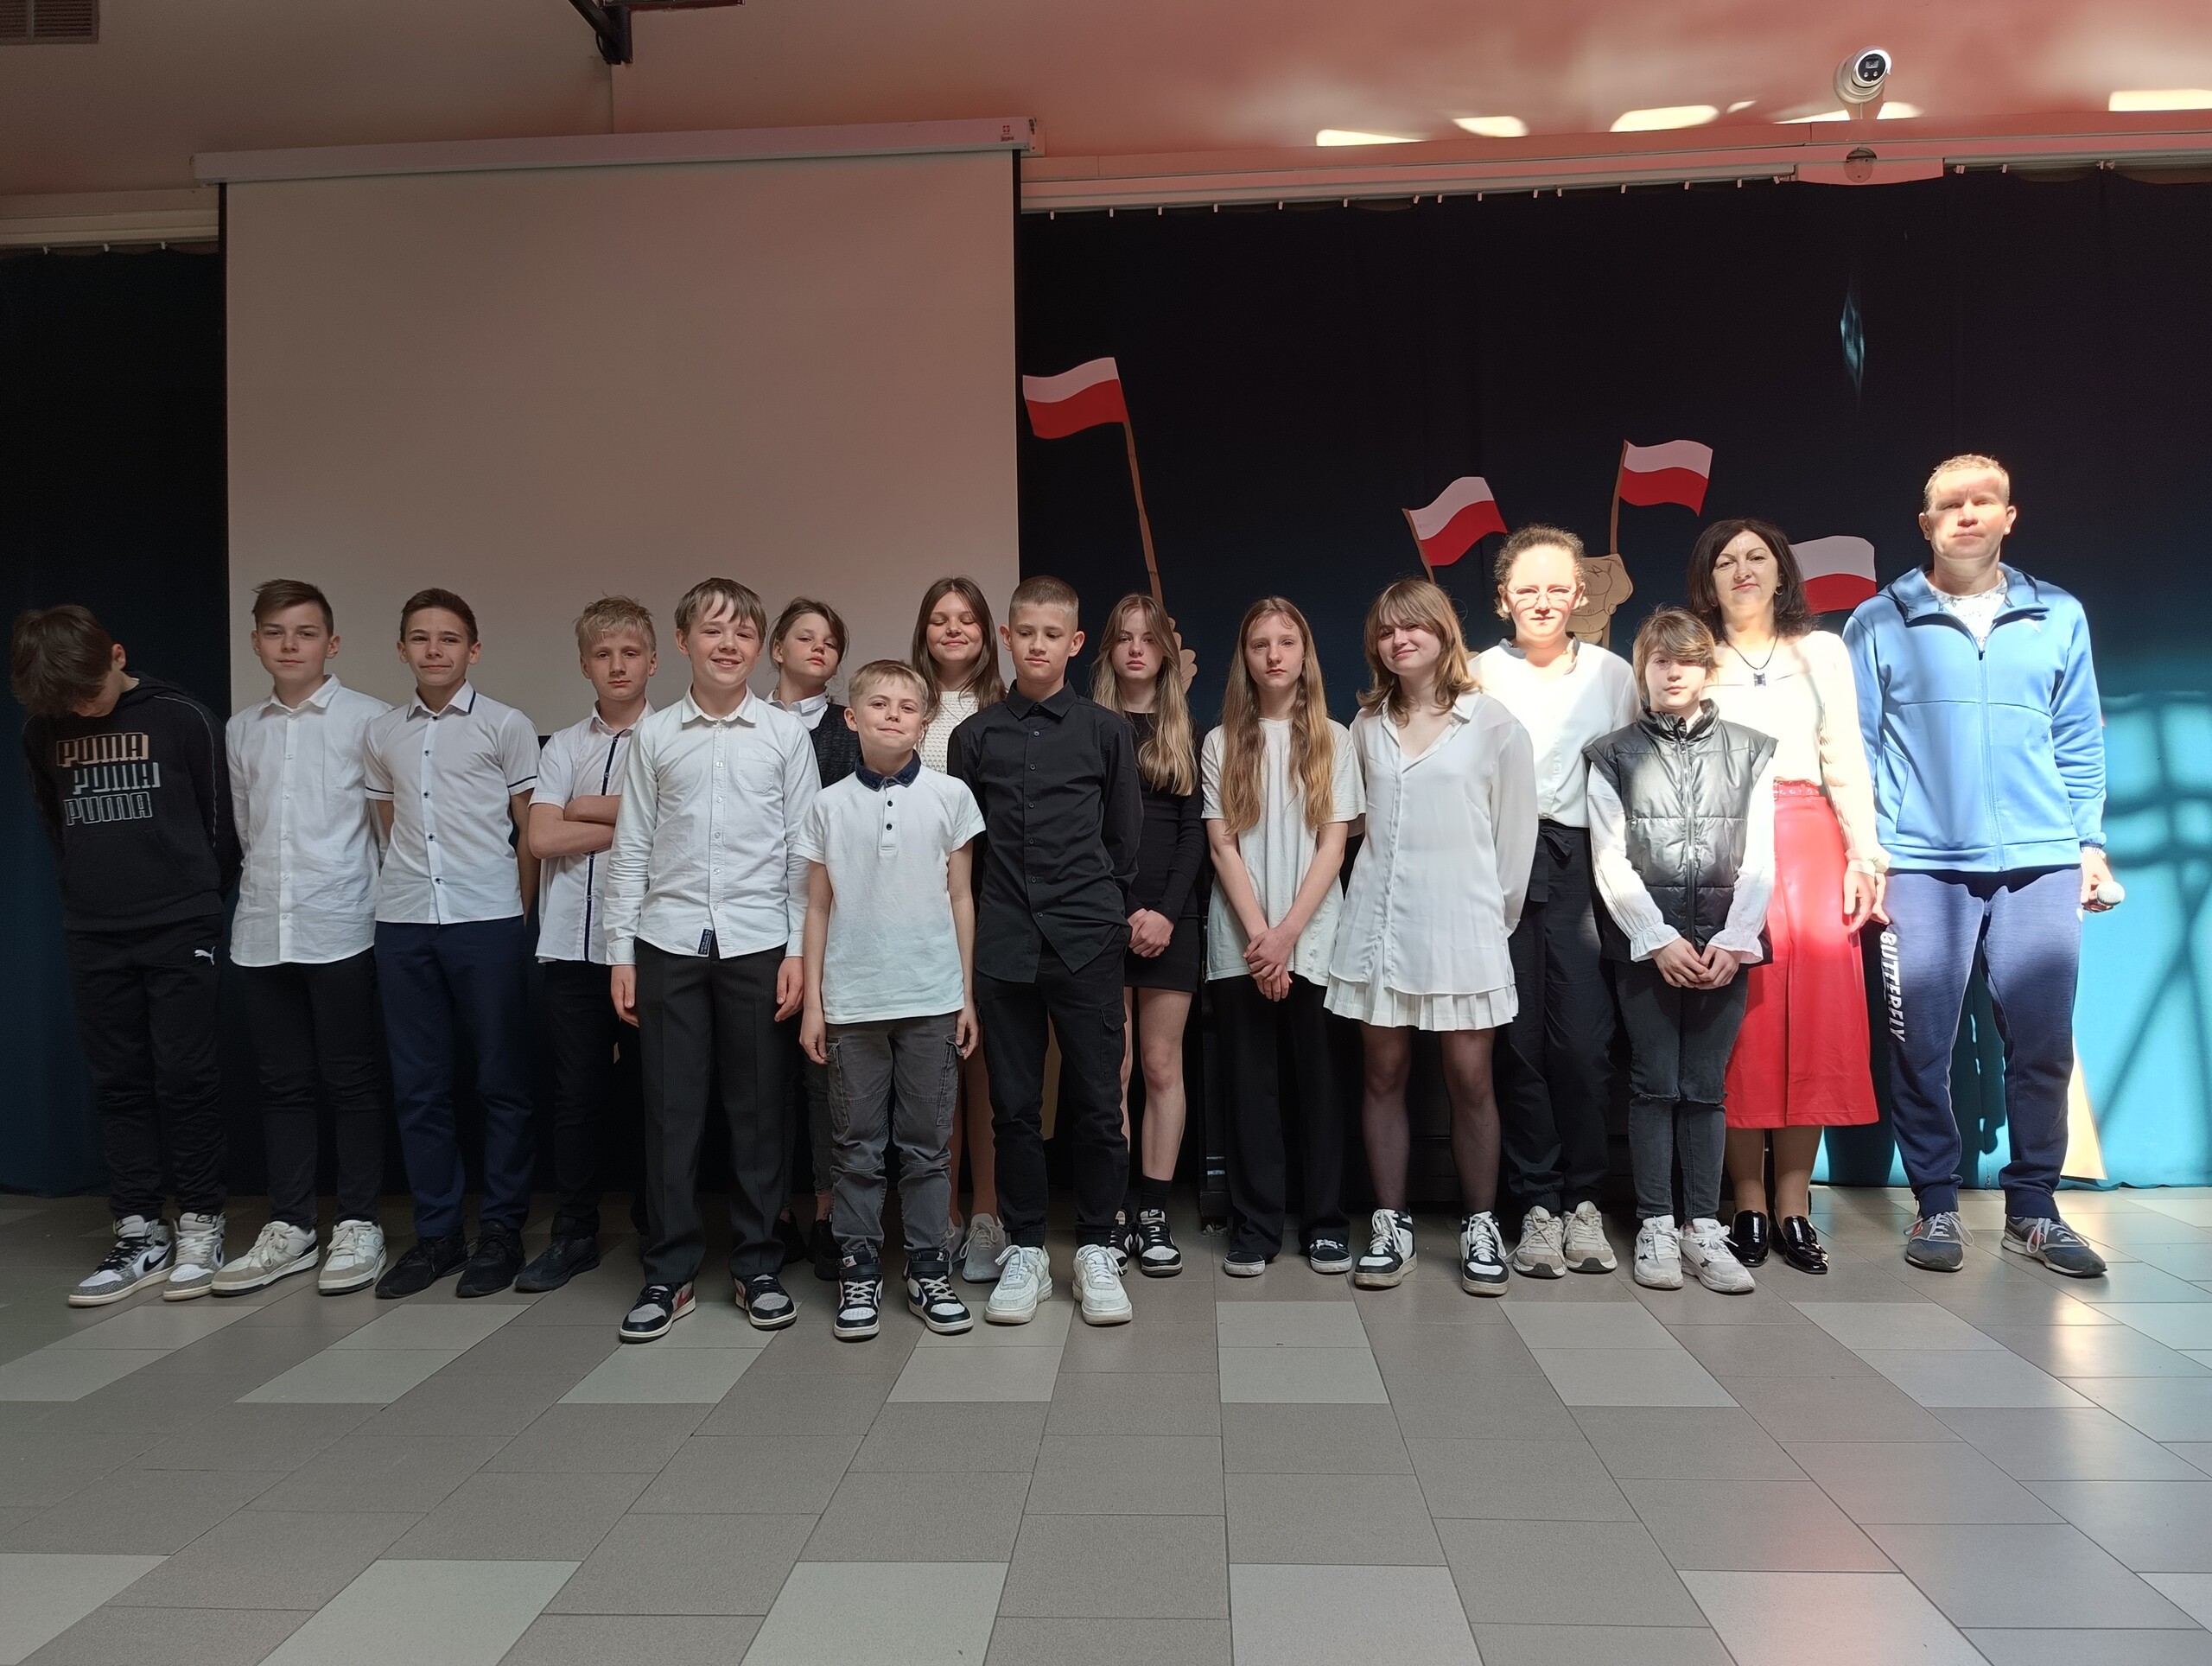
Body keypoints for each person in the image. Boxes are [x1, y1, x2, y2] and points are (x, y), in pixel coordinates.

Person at [1845, 455, 2113, 1279]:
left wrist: (2089, 844)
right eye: (1950, 505)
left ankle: (2034, 1208)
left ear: (2008, 517)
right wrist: (1870, 851)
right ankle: (1935, 1204)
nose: (1967, 514)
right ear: (1926, 524)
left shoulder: (2058, 614)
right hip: (1921, 864)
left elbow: (2080, 736)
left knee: (2043, 1044)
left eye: (1983, 501)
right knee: (1920, 1045)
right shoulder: (1877, 620)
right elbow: (1856, 750)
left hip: (2041, 861)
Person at [606, 577, 820, 1341]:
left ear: (759, 647)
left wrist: (799, 950)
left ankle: (758, 1264)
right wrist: (621, 954)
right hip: (667, 943)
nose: (728, 645)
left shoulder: (784, 736)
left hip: (760, 944)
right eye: (712, 630)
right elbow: (632, 848)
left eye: (743, 633)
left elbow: (802, 851)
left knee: (760, 1112)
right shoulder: (656, 735)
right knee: (670, 1111)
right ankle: (669, 1272)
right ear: (684, 643)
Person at [15, 606, 239, 1306]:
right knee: (119, 1082)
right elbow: (56, 822)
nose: (83, 709)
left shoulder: (183, 718)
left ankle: (201, 1222)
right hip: (94, 928)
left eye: (91, 693)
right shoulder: (43, 728)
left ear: (117, 655)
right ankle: (139, 1229)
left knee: (186, 1077)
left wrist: (195, 900)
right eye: (69, 704)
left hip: (180, 923)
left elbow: (220, 826)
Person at [1329, 578, 1536, 1297]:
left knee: (1470, 1079)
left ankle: (1481, 1225)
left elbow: (1515, 844)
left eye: (1413, 626)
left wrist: (1489, 923)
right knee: (1382, 1076)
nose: (1400, 640)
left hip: (1465, 926)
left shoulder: (1494, 723)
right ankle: (1391, 1225)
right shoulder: (1366, 725)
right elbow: (1351, 826)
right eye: (1387, 632)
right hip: (1380, 926)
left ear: (1444, 632)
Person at [1690, 521, 1884, 1277]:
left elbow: (1845, 755)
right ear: (1708, 580)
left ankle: (1794, 1205)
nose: (1742, 570)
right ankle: (1745, 1202)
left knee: (1816, 1025)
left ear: (1781, 572)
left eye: (1756, 557)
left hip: (1810, 834)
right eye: (1725, 561)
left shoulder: (1821, 651)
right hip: (1724, 840)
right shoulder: (1694, 655)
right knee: (1743, 1025)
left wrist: (1864, 854)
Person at [948, 575, 1143, 1326]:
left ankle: (1097, 1246)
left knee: (1098, 1103)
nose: (1037, 645)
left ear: (1075, 643)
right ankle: (1026, 1249)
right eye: (1024, 632)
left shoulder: (1106, 732)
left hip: (1087, 942)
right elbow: (966, 854)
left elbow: (1122, 842)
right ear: (1006, 638)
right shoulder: (975, 738)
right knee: (1014, 1108)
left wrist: (1097, 912)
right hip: (1003, 946)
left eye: (1051, 634)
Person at [1585, 607, 1776, 1295]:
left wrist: (1735, 939)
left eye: (1687, 661)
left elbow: (1762, 854)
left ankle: (1703, 1227)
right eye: (1660, 661)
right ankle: (1656, 1225)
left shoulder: (1753, 750)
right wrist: (1657, 937)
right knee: (1654, 1084)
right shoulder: (1611, 754)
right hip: (1647, 952)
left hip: (1726, 949)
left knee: (1704, 1089)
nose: (1673, 673)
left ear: (1706, 670)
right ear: (1642, 668)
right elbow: (1609, 858)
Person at [797, 659, 985, 1339]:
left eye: (908, 707)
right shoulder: (827, 805)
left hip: (932, 998)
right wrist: (814, 1003)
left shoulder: (951, 796)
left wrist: (965, 995)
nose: (894, 715)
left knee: (927, 1146)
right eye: (879, 705)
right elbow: (817, 907)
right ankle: (859, 1267)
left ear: (924, 723)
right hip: (853, 1003)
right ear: (852, 718)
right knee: (855, 1146)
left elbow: (961, 898)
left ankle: (929, 1267)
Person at [215, 579, 393, 1297]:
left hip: (343, 921)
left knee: (351, 1080)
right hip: (264, 925)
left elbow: (386, 829)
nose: (290, 645)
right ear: (256, 643)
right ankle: (291, 1225)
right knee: (281, 1084)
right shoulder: (241, 729)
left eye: (306, 632)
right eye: (275, 632)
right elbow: (244, 826)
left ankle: (359, 1223)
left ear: (332, 643)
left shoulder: (369, 720)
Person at [364, 588, 543, 1300]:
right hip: (405, 921)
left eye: (448, 638)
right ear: (401, 649)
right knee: (420, 1086)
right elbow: (388, 825)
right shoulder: (382, 733)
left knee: (502, 1081)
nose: (433, 649)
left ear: (473, 649)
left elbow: (530, 828)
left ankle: (501, 1230)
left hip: (487, 919)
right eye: (420, 638)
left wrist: (517, 913)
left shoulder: (505, 725)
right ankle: (437, 1234)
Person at [1473, 527, 1639, 1280]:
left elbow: (1635, 774)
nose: (1542, 602)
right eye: (1527, 589)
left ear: (1579, 595)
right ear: (1503, 598)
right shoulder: (1478, 674)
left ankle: (1584, 1200)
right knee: (1517, 1041)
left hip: (1583, 863)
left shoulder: (1612, 674)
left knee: (1582, 1044)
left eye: (1557, 588)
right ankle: (1536, 1205)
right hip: (1498, 862)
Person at [1205, 598, 1362, 1277]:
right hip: (1241, 940)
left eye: (1287, 642)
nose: (1274, 655)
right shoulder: (1220, 742)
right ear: (1244, 658)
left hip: (1315, 935)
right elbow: (1222, 846)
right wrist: (1261, 938)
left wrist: (1288, 935)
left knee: (1321, 1086)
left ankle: (1325, 1223)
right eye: (1260, 644)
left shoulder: (1334, 738)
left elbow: (1333, 847)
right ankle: (1256, 1226)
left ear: (1304, 655)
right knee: (1250, 1089)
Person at [516, 595, 657, 1294]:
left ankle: (660, 1226)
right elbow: (542, 838)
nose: (617, 665)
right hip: (572, 949)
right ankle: (574, 1232)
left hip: (650, 947)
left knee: (657, 1095)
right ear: (584, 665)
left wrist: (582, 808)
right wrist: (631, 823)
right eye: (603, 654)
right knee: (576, 1096)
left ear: (653, 661)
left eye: (629, 653)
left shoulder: (672, 739)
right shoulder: (565, 746)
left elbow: (680, 827)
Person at [1090, 592, 1205, 1277]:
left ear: (1165, 652)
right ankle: (1111, 1212)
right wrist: (1127, 908)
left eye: (1149, 638)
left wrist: (1163, 911)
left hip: (1174, 918)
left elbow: (1195, 834)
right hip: (1106, 917)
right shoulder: (1088, 726)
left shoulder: (1186, 728)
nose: (1136, 648)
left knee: (1162, 1067)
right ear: (1108, 649)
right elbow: (1087, 832)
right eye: (1125, 637)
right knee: (1115, 1069)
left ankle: (1154, 1213)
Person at [911, 576, 1009, 1281]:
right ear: (924, 630)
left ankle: (987, 1217)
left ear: (985, 631)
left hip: (989, 900)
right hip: (917, 907)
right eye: (941, 618)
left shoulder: (1006, 706)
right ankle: (938, 1217)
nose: (953, 629)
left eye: (967, 618)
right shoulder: (903, 704)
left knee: (989, 1071)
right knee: (936, 1068)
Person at [768, 596, 860, 1282]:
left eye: (830, 642)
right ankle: (770, 1212)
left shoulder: (848, 728)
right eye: (805, 637)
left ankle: (829, 1214)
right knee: (761, 1079)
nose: (819, 648)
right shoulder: (742, 723)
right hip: (751, 919)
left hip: (828, 917)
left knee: (824, 1074)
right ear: (776, 648)